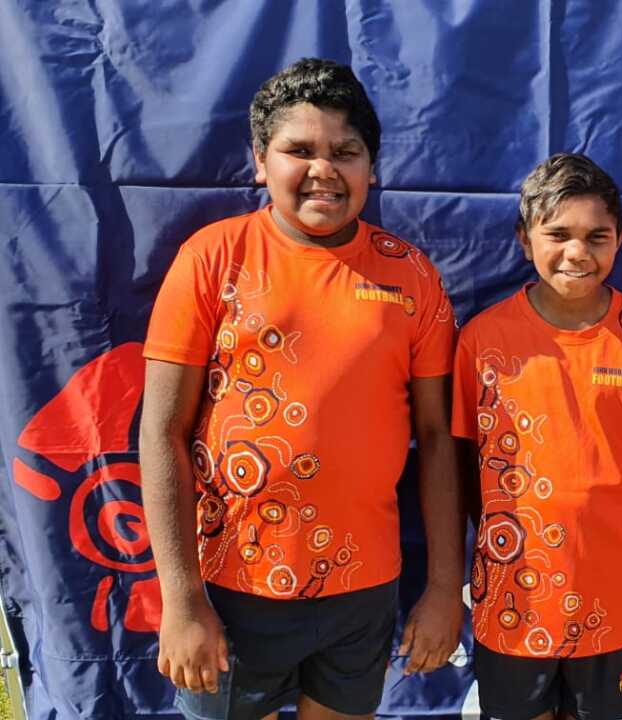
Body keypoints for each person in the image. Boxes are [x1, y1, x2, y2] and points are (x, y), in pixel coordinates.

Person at [139, 58, 464, 720]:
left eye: (345, 152)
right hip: (231, 587)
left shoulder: (413, 277)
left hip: (363, 590)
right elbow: (162, 430)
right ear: (261, 161)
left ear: (371, 167)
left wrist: (441, 588)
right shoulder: (213, 258)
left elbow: (436, 440)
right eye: (299, 150)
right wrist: (182, 597)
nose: (324, 169)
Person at [452, 153, 622, 720]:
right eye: (558, 234)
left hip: (611, 592)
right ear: (524, 239)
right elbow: (463, 465)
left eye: (595, 236)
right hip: (513, 591)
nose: (577, 252)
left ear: (621, 239)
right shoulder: (482, 340)